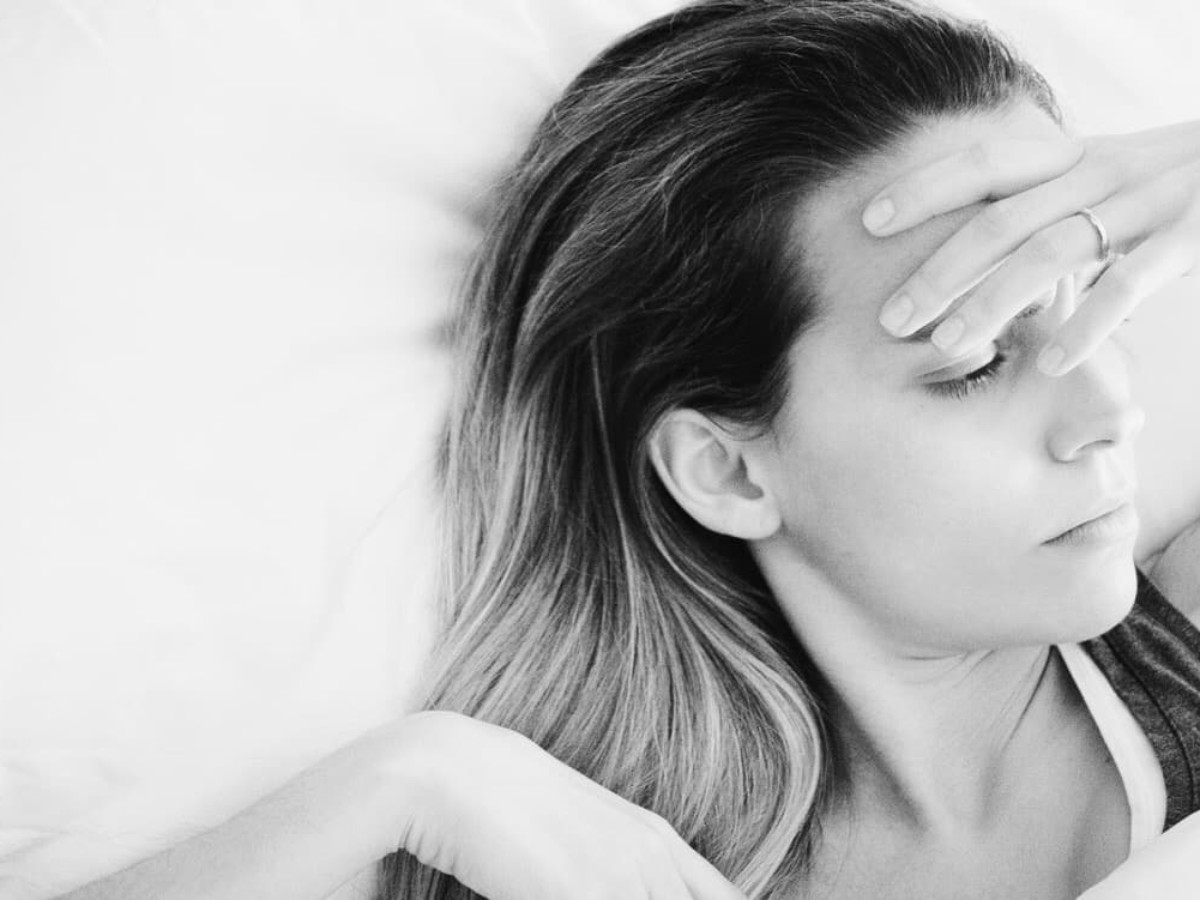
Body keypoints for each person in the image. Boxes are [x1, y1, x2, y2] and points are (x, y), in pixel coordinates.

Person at [60, 1, 1200, 899]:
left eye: (1094, 305)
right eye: (976, 364)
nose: (1108, 408)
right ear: (728, 471)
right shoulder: (581, 866)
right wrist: (406, 784)